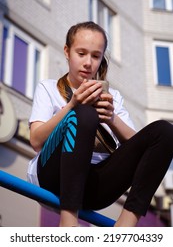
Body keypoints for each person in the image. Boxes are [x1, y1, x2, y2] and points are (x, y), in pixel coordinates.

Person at [28, 21, 173, 227]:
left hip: (95, 189)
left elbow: (141, 148)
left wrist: (111, 118)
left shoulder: (113, 97)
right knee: (84, 113)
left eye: (95, 56)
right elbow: (35, 141)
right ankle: (68, 223)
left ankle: (125, 226)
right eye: (81, 53)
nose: (88, 63)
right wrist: (72, 105)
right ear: (67, 52)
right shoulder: (48, 88)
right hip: (53, 177)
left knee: (165, 131)